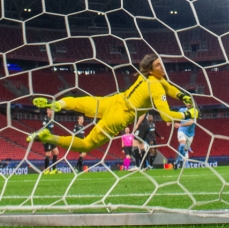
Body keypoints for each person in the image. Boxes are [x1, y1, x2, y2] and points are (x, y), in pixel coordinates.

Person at [27, 54, 198, 153]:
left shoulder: (147, 76)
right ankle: (50, 137)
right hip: (120, 116)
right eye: (158, 65)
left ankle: (59, 104)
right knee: (86, 145)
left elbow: (169, 87)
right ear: (151, 70)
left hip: (114, 100)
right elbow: (166, 114)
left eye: (161, 64)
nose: (162, 67)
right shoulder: (155, 87)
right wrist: (188, 114)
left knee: (80, 103)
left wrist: (183, 96)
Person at [168, 102, 196, 170]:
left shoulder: (195, 112)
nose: (188, 104)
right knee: (181, 146)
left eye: (190, 102)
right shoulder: (181, 110)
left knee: (184, 150)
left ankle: (176, 163)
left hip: (190, 135)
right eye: (187, 102)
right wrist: (170, 121)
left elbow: (190, 122)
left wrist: (180, 125)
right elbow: (176, 116)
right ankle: (179, 163)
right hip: (182, 131)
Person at [42, 108, 61, 174]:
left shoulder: (52, 119)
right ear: (47, 111)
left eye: (52, 110)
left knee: (56, 152)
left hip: (52, 138)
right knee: (48, 154)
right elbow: (44, 128)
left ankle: (54, 169)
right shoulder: (45, 118)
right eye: (49, 110)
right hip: (47, 138)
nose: (51, 111)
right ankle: (46, 169)